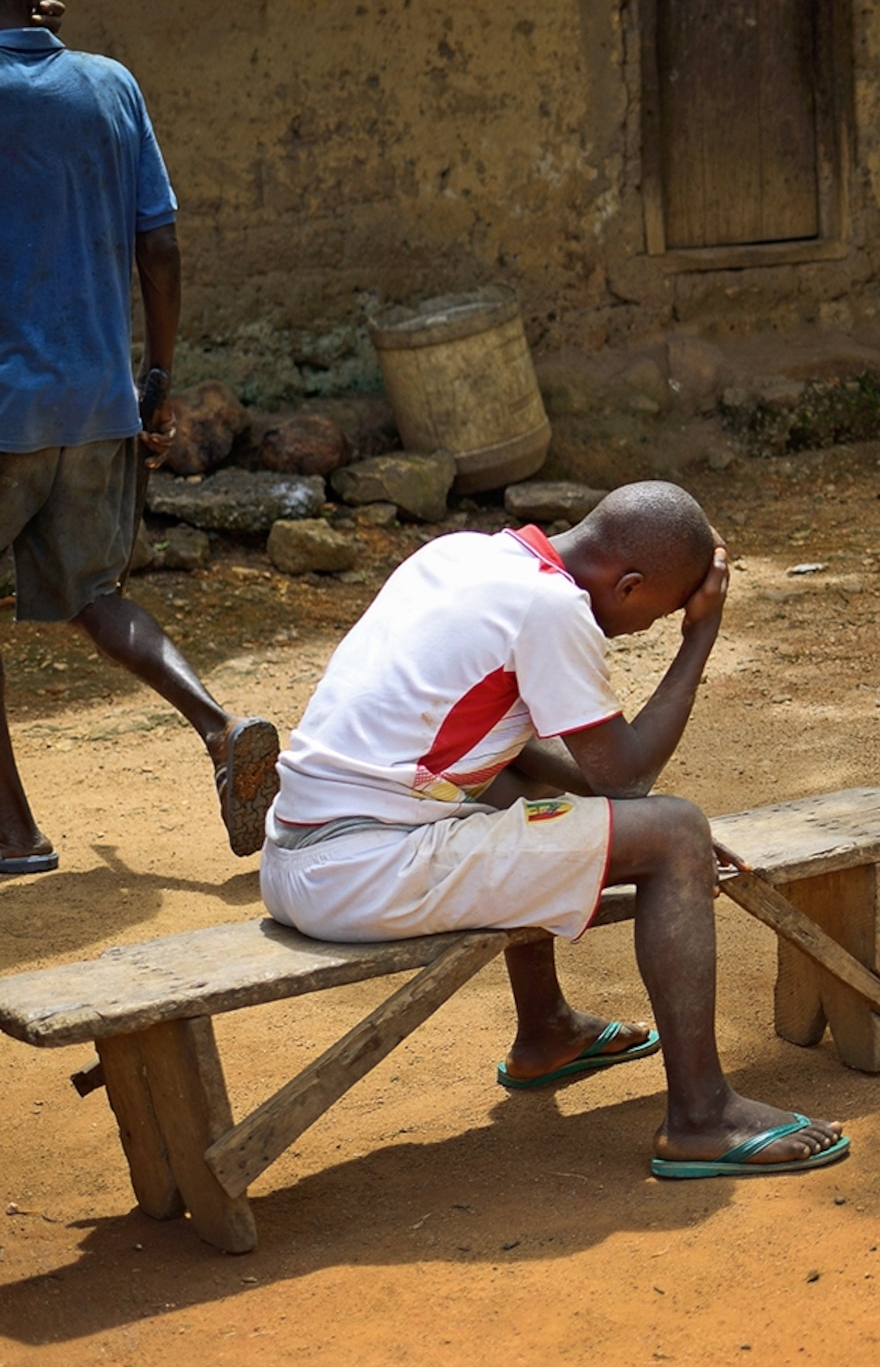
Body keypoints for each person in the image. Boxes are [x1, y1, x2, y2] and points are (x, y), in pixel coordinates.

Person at [258, 482, 847, 1178]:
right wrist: (700, 637)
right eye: (658, 615)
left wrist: (622, 825)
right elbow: (625, 778)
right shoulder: (551, 607)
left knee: (535, 789)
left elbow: (514, 756)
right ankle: (702, 1115)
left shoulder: (465, 556)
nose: (651, 628)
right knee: (679, 830)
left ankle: (546, 1030)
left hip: (300, 856)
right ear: (628, 585)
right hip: (362, 869)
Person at [1, 0, 278, 877]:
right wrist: (155, 383)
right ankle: (220, 724)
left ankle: (14, 832)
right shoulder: (108, 85)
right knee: (96, 593)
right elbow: (158, 245)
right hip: (93, 400)